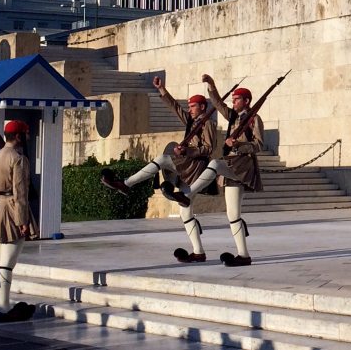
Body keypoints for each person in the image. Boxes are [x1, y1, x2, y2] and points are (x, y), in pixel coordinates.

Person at [101, 76, 217, 263]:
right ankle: (199, 252)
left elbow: (209, 149)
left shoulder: (208, 124)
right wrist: (161, 89)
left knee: (166, 166)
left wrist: (187, 150)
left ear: (202, 107)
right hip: (185, 163)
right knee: (184, 209)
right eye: (189, 105)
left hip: (196, 167)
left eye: (193, 106)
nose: (189, 109)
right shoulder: (190, 121)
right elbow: (175, 107)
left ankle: (126, 184)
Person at [201, 74, 264, 267]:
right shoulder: (234, 117)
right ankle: (243, 255)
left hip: (242, 167)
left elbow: (259, 145)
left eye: (237, 99)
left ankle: (191, 192)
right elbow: (218, 105)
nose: (234, 102)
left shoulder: (254, 119)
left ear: (246, 101)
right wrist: (212, 86)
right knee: (232, 214)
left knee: (214, 164)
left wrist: (237, 145)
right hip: (231, 167)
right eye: (234, 99)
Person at [0, 119, 38, 323]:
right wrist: (22, 219)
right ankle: (4, 309)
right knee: (7, 263)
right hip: (12, 208)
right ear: (18, 136)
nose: (28, 138)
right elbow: (20, 192)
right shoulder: (18, 158)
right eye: (26, 134)